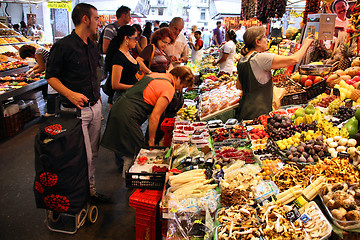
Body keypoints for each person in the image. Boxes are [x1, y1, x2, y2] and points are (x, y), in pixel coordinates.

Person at [46, 3, 109, 202]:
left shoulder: (92, 46)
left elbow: (93, 75)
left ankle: (89, 190)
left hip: (94, 106)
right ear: (85, 19)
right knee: (81, 155)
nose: (99, 22)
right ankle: (75, 195)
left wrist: (97, 100)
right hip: (74, 111)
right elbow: (51, 77)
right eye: (97, 18)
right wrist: (71, 94)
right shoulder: (64, 46)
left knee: (93, 153)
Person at [101, 66, 194, 174]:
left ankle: (129, 178)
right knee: (136, 151)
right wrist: (151, 140)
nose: (180, 89)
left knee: (129, 149)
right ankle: (130, 181)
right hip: (128, 114)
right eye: (182, 85)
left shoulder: (156, 75)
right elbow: (155, 116)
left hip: (120, 107)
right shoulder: (169, 88)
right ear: (178, 78)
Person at [235, 26, 314, 120]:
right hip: (258, 113)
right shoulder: (260, 58)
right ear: (257, 42)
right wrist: (306, 45)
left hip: (244, 110)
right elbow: (294, 59)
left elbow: (238, 86)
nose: (267, 40)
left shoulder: (242, 60)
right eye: (264, 37)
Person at [105, 25, 140, 173]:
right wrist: (133, 87)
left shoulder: (129, 53)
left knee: (128, 131)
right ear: (126, 39)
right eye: (134, 39)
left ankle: (128, 163)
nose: (136, 42)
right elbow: (115, 83)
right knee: (121, 133)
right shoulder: (118, 57)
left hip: (131, 97)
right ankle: (122, 166)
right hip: (122, 98)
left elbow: (133, 73)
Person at [18, 45, 56, 117]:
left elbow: (42, 68)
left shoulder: (38, 53)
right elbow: (40, 63)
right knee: (52, 92)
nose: (29, 58)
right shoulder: (39, 50)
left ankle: (51, 112)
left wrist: (33, 73)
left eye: (27, 57)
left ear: (29, 53)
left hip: (53, 73)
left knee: (52, 93)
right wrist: (32, 69)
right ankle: (53, 111)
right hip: (54, 71)